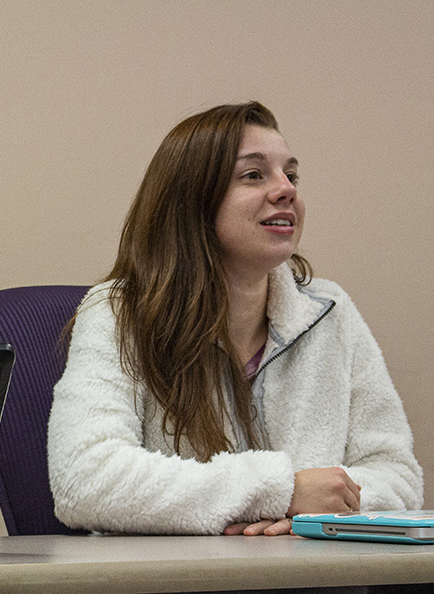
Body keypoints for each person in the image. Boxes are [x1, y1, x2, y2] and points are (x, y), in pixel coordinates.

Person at [46, 101, 423, 536]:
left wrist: (313, 513)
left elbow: (398, 476)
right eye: (253, 175)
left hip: (314, 578)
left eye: (291, 175)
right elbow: (85, 481)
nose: (286, 191)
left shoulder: (331, 311)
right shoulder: (118, 312)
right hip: (182, 581)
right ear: (192, 202)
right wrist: (281, 491)